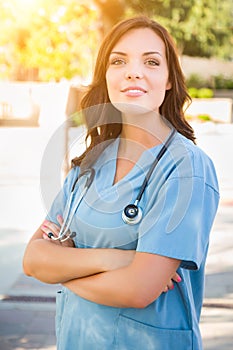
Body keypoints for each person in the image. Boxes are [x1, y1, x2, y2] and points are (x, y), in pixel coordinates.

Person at [23, 16, 219, 350]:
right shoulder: (90, 163)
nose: (133, 72)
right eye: (119, 61)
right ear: (106, 75)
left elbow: (137, 290)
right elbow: (33, 259)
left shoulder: (186, 169)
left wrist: (63, 271)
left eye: (152, 62)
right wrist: (115, 259)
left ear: (169, 79)